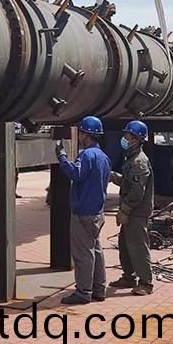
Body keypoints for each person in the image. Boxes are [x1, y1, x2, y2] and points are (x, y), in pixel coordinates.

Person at [54, 116, 111, 305]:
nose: (78, 136)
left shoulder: (87, 155)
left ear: (86, 134)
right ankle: (99, 289)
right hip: (97, 212)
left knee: (83, 254)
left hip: (84, 212)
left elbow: (76, 174)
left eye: (80, 133)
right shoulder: (103, 157)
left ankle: (83, 292)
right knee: (96, 250)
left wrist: (62, 158)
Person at [109, 120, 154, 296]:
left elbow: (137, 192)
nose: (124, 139)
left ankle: (146, 283)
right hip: (131, 210)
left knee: (138, 246)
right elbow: (129, 182)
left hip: (137, 211)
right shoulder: (131, 158)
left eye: (127, 136)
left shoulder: (139, 162)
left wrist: (125, 210)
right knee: (125, 245)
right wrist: (114, 177)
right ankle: (129, 277)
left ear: (135, 139)